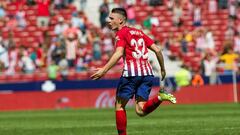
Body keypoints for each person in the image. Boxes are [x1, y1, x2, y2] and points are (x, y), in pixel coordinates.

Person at [91, 8, 176, 135]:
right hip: (147, 74)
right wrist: (163, 69)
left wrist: (104, 70)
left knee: (119, 106)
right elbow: (157, 50)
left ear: (120, 20)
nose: (109, 21)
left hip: (131, 74)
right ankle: (160, 97)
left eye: (111, 18)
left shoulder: (121, 33)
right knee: (141, 111)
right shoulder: (139, 32)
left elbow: (119, 53)